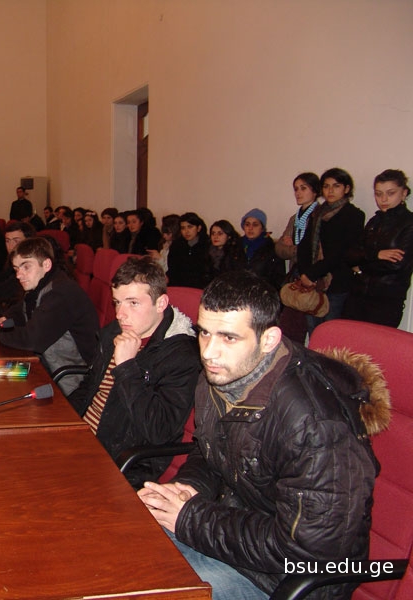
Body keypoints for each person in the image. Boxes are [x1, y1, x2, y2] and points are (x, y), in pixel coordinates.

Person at [138, 270, 382, 600]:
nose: (209, 352)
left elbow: (308, 551)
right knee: (125, 543)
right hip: (234, 534)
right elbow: (209, 451)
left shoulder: (319, 426)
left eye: (229, 337)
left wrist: (191, 518)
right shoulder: (223, 373)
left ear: (268, 340)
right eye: (204, 333)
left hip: (289, 579)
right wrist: (189, 488)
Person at [68, 257, 200, 488]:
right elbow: (90, 385)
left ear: (161, 303)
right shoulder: (116, 331)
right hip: (81, 438)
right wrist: (61, 418)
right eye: (117, 302)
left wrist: (127, 367)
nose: (120, 314)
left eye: (133, 303)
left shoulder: (181, 356)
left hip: (120, 462)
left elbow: (159, 430)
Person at [0, 236, 99, 395]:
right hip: (49, 366)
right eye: (16, 269)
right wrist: (4, 319)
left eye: (26, 267)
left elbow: (33, 339)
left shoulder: (61, 292)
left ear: (46, 265)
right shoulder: (41, 285)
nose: (19, 275)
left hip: (72, 381)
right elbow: (22, 309)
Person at [296, 167, 365, 333]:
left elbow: (341, 252)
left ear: (346, 189)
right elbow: (304, 246)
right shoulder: (317, 213)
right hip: (312, 283)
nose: (330, 190)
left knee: (331, 331)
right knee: (313, 329)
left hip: (336, 282)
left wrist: (312, 273)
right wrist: (305, 274)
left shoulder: (353, 215)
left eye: (336, 186)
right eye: (326, 186)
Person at [344, 169, 413, 328]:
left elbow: (396, 265)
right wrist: (377, 254)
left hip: (386, 301)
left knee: (375, 343)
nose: (383, 199)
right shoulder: (374, 221)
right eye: (378, 194)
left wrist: (361, 266)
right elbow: (349, 255)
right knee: (348, 340)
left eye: (390, 193)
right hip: (357, 295)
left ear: (404, 193)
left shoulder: (409, 223)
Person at [275, 172, 321, 343]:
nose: (298, 193)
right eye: (296, 189)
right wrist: (297, 248)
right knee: (290, 328)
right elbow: (280, 249)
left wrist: (294, 247)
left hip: (314, 278)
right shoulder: (295, 218)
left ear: (315, 191)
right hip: (295, 277)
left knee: (314, 328)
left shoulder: (319, 216)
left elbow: (315, 251)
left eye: (303, 188)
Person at [240, 208, 285, 290]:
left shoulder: (271, 248)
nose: (250, 228)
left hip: (262, 292)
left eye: (255, 225)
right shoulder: (236, 246)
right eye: (247, 224)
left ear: (262, 228)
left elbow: (278, 279)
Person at [167, 212, 210, 288]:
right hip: (178, 285)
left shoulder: (207, 245)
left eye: (190, 227)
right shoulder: (176, 245)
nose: (186, 231)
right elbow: (172, 269)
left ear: (199, 228)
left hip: (200, 287)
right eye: (183, 228)